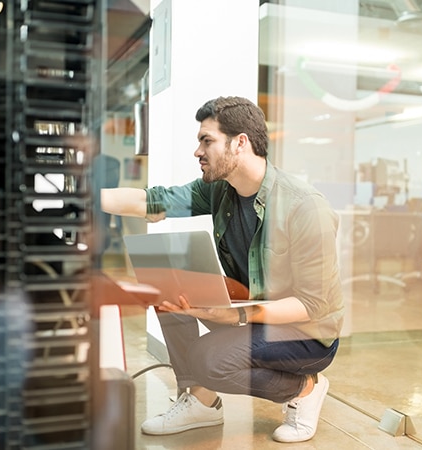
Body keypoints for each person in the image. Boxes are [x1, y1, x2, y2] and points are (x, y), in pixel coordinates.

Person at [100, 96, 344, 443]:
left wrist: (236, 317)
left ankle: (304, 387)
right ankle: (202, 402)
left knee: (209, 359)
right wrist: (83, 198)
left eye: (207, 140)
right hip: (253, 309)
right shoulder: (219, 190)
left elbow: (312, 305)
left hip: (306, 333)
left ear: (240, 143)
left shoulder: (305, 208)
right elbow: (151, 201)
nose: (198, 151)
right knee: (169, 287)